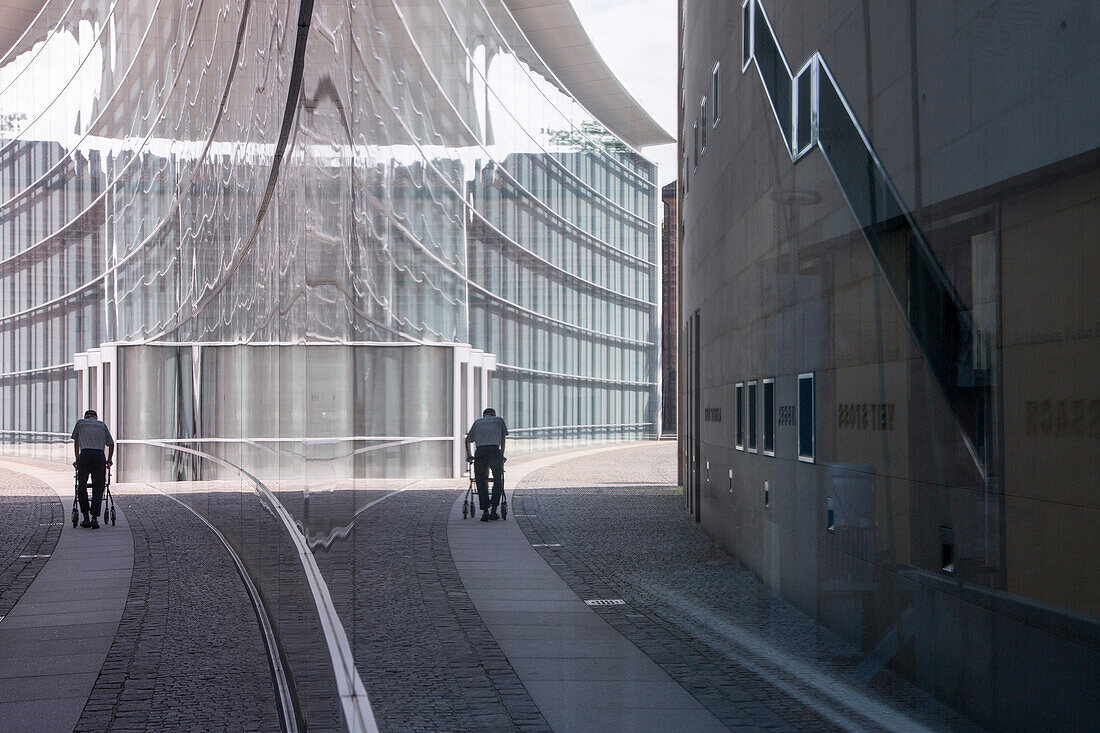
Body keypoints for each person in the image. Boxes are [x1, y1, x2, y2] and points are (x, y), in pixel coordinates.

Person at [71, 409, 115, 529]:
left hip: (85, 455)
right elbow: (111, 444)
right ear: (96, 418)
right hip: (99, 456)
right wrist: (109, 459)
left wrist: (77, 459)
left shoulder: (80, 423)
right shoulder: (102, 425)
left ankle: (86, 517)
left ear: (86, 417)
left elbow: (76, 443)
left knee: (82, 486)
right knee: (99, 486)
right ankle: (95, 517)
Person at [464, 407, 508, 522]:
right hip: (494, 451)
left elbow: (467, 440)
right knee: (498, 479)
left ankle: (485, 511)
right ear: (494, 414)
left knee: (480, 480)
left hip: (480, 452)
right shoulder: (499, 421)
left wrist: (469, 455)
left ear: (484, 415)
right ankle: (494, 509)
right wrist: (501, 455)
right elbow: (502, 439)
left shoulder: (478, 422)